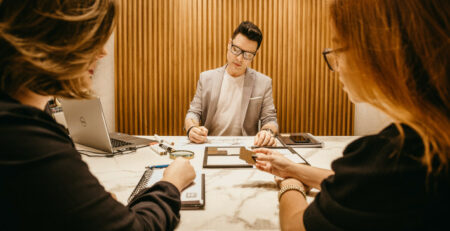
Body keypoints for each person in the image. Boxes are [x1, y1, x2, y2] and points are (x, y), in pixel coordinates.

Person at [254, 0, 449, 230]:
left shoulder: (399, 156)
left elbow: (296, 225)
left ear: (379, 50)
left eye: (338, 48)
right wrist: (293, 168)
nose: (335, 65)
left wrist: (291, 183)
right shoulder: (429, 141)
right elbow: (365, 186)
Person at [0, 0, 195, 230]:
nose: (103, 52)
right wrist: (171, 184)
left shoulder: (20, 121)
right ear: (55, 35)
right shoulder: (26, 140)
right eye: (95, 38)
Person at [185, 21, 279, 147]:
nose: (239, 58)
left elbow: (270, 119)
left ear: (255, 54)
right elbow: (193, 113)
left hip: (247, 147)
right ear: (229, 44)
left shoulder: (263, 82)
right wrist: (192, 129)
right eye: (236, 50)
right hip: (210, 144)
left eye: (248, 55)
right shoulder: (206, 78)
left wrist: (267, 132)